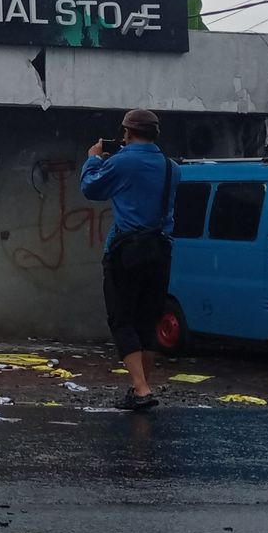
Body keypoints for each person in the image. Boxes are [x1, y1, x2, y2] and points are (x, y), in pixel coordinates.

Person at [80, 108, 181, 411]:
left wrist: (94, 159)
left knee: (121, 319)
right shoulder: (172, 167)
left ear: (127, 133)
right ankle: (140, 390)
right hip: (160, 251)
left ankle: (141, 387)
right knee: (147, 321)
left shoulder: (122, 162)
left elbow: (90, 188)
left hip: (128, 251)